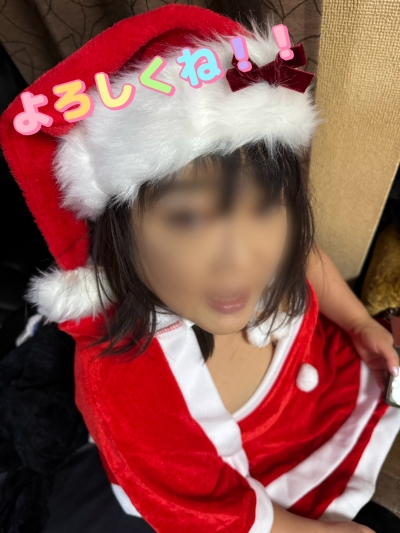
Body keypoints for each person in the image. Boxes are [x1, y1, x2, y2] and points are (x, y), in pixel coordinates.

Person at [1, 4, 399, 533]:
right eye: (189, 217)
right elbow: (204, 507)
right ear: (120, 237)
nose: (239, 257)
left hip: (344, 389)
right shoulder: (129, 384)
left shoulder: (273, 251)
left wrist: (358, 323)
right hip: (273, 492)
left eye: (264, 207)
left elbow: (305, 258)